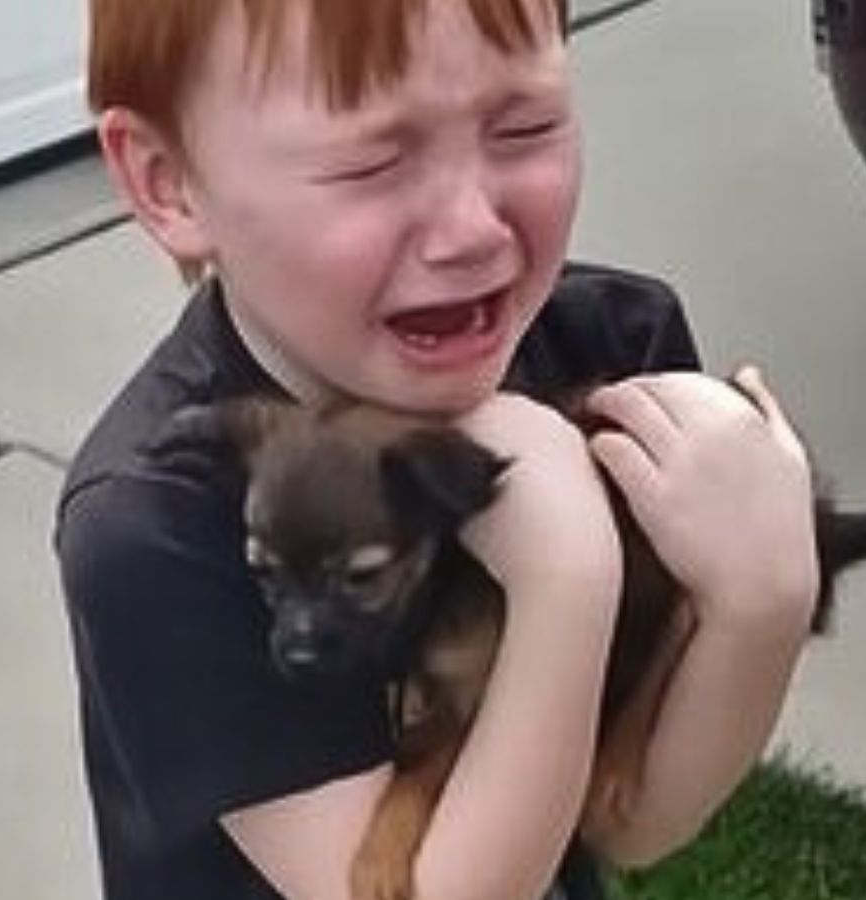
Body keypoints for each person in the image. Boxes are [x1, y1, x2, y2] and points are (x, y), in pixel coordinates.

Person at [55, 1, 820, 898]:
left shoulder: (609, 358)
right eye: (369, 163)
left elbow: (631, 816)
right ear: (169, 184)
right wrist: (567, 577)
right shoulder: (165, 519)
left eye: (525, 125)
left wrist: (764, 606)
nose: (471, 228)